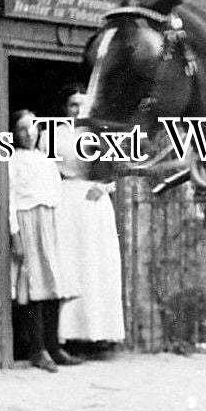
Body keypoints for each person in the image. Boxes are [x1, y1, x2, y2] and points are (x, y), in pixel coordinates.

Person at [51, 87, 126, 351]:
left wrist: (104, 187)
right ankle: (69, 334)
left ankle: (99, 332)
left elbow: (118, 169)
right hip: (66, 201)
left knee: (95, 264)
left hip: (94, 202)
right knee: (70, 263)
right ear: (65, 108)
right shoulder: (54, 135)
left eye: (83, 105)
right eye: (73, 105)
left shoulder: (100, 133)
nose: (78, 110)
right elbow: (46, 169)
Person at [8, 110, 80, 372]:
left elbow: (57, 195)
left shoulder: (46, 160)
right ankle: (37, 349)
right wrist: (15, 235)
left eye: (32, 127)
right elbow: (10, 200)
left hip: (49, 222)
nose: (29, 134)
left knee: (53, 284)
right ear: (14, 133)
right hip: (28, 221)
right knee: (34, 287)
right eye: (22, 129)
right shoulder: (12, 161)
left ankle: (54, 346)